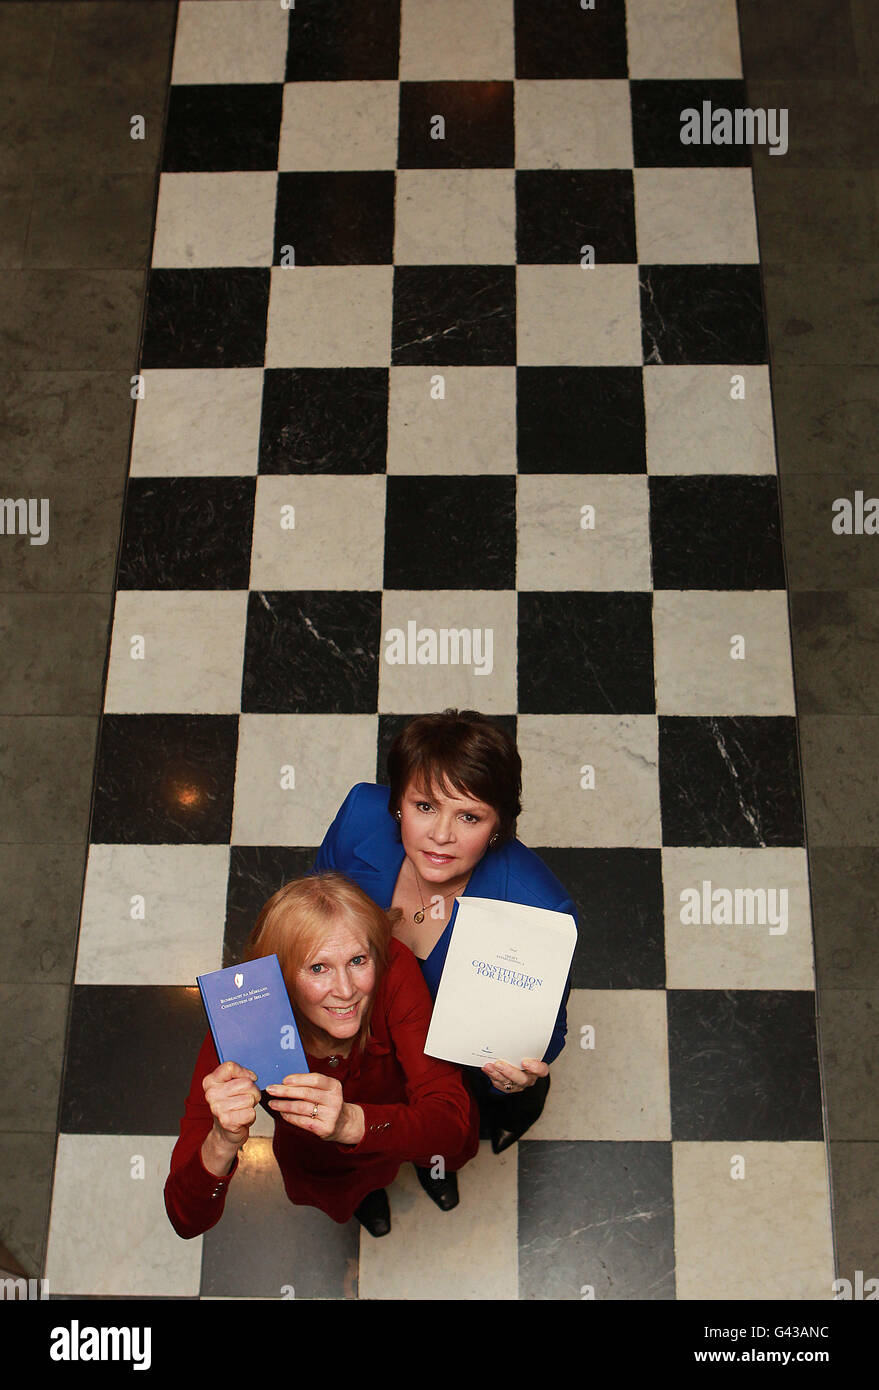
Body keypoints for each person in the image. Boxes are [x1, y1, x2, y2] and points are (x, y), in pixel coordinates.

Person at [313, 708, 578, 1209]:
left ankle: (433, 1165)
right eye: (425, 806)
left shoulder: (540, 908)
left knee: (444, 1134)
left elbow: (549, 1030)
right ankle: (365, 1183)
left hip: (449, 1063)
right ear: (397, 805)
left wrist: (513, 1077)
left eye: (470, 817)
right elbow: (314, 906)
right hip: (361, 1035)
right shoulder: (357, 819)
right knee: (349, 1134)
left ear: (499, 826)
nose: (441, 835)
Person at [164, 872, 479, 1239]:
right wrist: (221, 1140)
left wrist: (350, 1123)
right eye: (318, 968)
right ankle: (366, 1197)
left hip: (402, 1120)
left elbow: (450, 1121)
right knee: (350, 1192)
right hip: (321, 1160)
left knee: (435, 1152)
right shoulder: (242, 1022)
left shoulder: (392, 968)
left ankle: (428, 1168)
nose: (346, 990)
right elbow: (185, 1220)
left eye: (358, 960)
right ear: (278, 977)